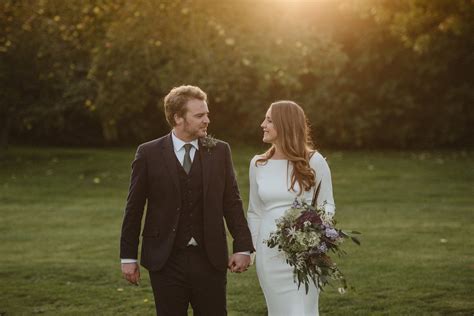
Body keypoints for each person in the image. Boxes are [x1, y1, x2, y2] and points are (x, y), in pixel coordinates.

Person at [120, 85, 254, 315]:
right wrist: (128, 256)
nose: (207, 120)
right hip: (165, 259)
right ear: (178, 118)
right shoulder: (148, 153)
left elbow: (231, 201)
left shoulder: (220, 151)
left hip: (210, 258)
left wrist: (243, 247)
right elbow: (134, 208)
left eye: (207, 114)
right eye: (200, 115)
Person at [247, 101, 336, 316]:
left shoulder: (314, 161)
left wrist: (313, 235)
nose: (263, 124)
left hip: (304, 254)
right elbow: (255, 211)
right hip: (269, 255)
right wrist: (251, 251)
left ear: (285, 124)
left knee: (302, 311)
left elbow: (327, 205)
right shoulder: (258, 164)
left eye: (269, 120)